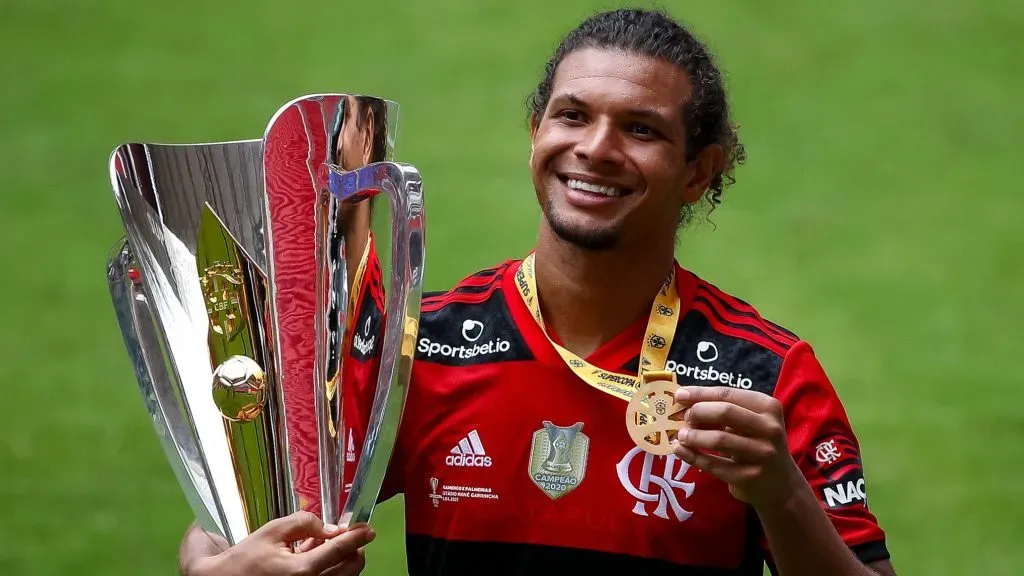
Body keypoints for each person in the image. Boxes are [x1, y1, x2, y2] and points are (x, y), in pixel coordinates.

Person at [179, 8, 896, 576]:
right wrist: (215, 566)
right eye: (573, 115)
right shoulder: (420, 350)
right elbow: (248, 507)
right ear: (536, 132)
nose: (596, 148)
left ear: (699, 172)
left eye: (640, 129)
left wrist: (781, 495)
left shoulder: (765, 380)